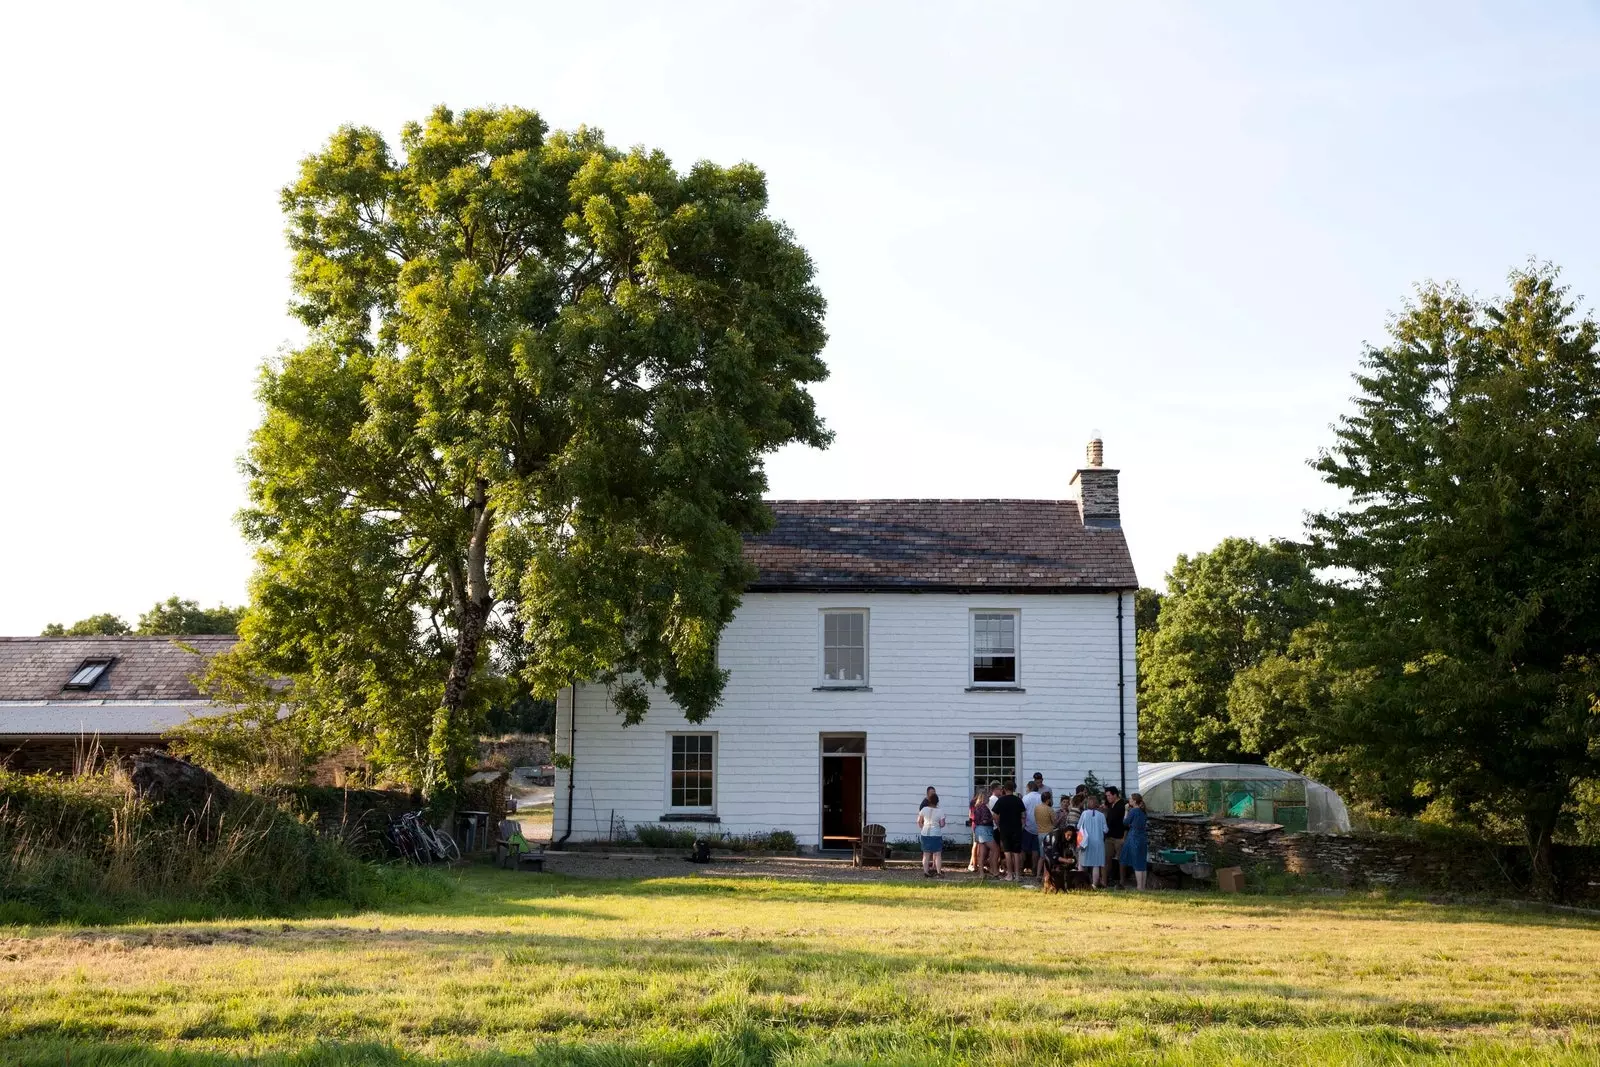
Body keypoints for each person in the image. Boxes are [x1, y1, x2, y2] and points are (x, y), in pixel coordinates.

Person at [991, 780, 1026, 882]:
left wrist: (999, 826)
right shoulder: (1018, 800)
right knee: (1016, 853)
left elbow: (994, 816)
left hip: (1005, 829)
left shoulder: (1001, 800)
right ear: (1014, 789)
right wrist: (1022, 825)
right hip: (1017, 829)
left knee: (1007, 853)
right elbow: (1023, 815)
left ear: (1005, 789)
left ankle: (1010, 874)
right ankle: (1018, 876)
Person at [1075, 794, 1108, 888]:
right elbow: (1105, 829)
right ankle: (1094, 885)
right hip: (1098, 842)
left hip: (1086, 841)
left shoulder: (1084, 814)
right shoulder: (1101, 815)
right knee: (1096, 864)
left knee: (1082, 863)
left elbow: (1078, 826)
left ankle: (1080, 883)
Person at [1121, 792, 1150, 890]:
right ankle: (1143, 886)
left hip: (1134, 838)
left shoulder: (1133, 811)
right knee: (1142, 863)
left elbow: (1125, 822)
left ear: (1134, 801)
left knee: (1137, 863)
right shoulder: (1143, 812)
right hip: (1143, 838)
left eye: (1130, 799)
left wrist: (1126, 811)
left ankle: (1139, 887)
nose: (1129, 800)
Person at [1103, 785, 1128, 888]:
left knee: (1121, 860)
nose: (1107, 798)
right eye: (1106, 796)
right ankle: (1104, 881)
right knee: (1106, 859)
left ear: (1115, 795)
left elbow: (1126, 823)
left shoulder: (1122, 806)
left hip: (1119, 837)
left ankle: (1122, 882)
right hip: (1109, 837)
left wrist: (1124, 838)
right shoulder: (1111, 805)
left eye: (1109, 796)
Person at [917, 792, 947, 877]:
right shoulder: (940, 811)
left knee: (926, 854)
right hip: (936, 833)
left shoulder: (924, 809)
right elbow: (942, 824)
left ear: (928, 801)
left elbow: (919, 821)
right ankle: (938, 872)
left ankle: (926, 872)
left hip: (925, 833)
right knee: (937, 854)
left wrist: (923, 827)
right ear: (937, 802)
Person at [1020, 779, 1043, 876]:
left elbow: (1022, 812)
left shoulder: (1025, 798)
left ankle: (1021, 869)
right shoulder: (1041, 797)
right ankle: (1034, 870)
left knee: (1023, 849)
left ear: (1029, 788)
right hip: (1039, 827)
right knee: (1035, 850)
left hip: (1028, 826)